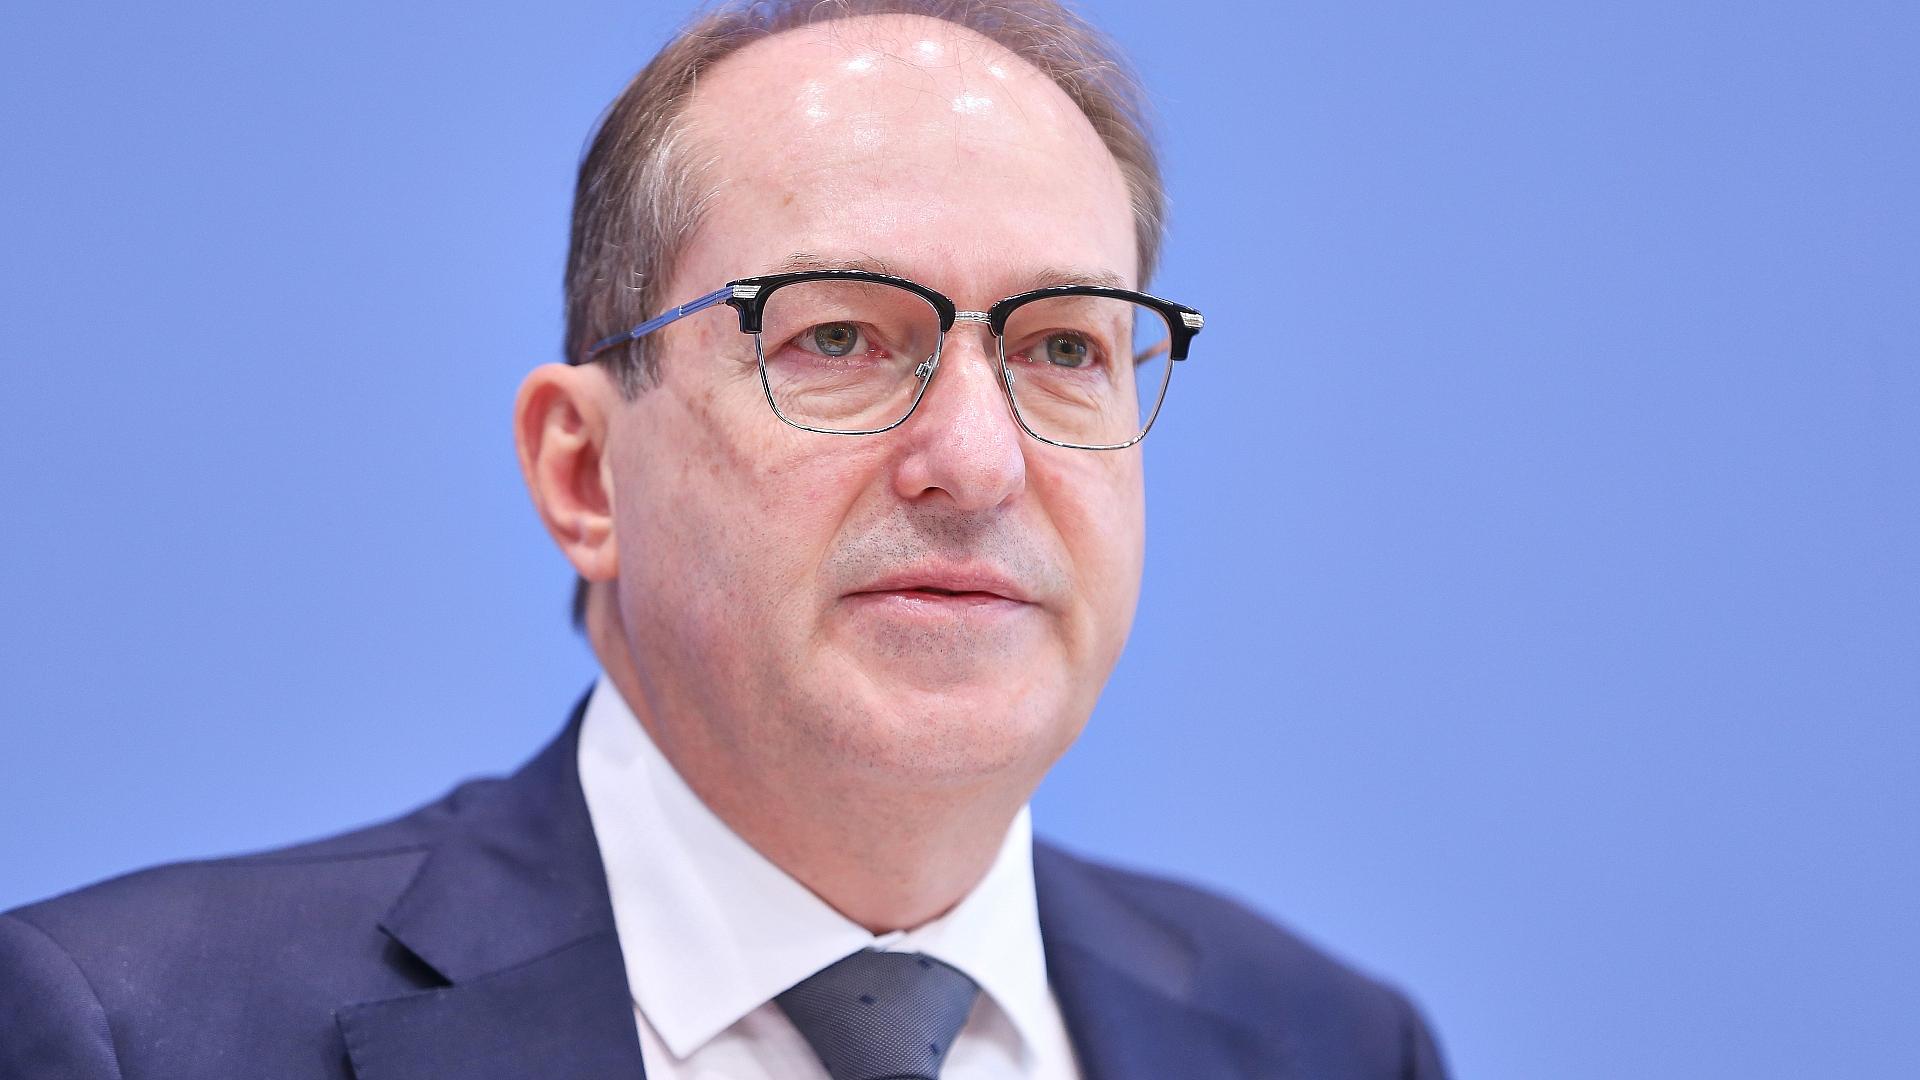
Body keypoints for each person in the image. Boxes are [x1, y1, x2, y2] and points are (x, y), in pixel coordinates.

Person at [0, 2, 1448, 1076]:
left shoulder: (1331, 1044)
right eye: (837, 337)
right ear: (584, 473)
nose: (977, 461)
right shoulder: (132, 1031)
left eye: (1065, 347)